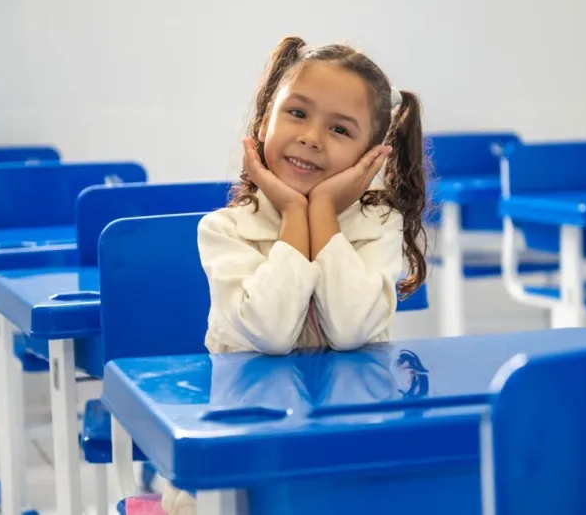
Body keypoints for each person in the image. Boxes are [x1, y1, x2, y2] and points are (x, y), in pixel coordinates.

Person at [162, 34, 428, 514]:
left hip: (342, 455)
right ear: (264, 120)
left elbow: (350, 330)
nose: (310, 137)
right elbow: (270, 333)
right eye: (297, 113)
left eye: (341, 130)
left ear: (372, 156)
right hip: (242, 455)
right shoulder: (227, 229)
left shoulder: (377, 225)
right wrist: (292, 216)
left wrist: (321, 209)